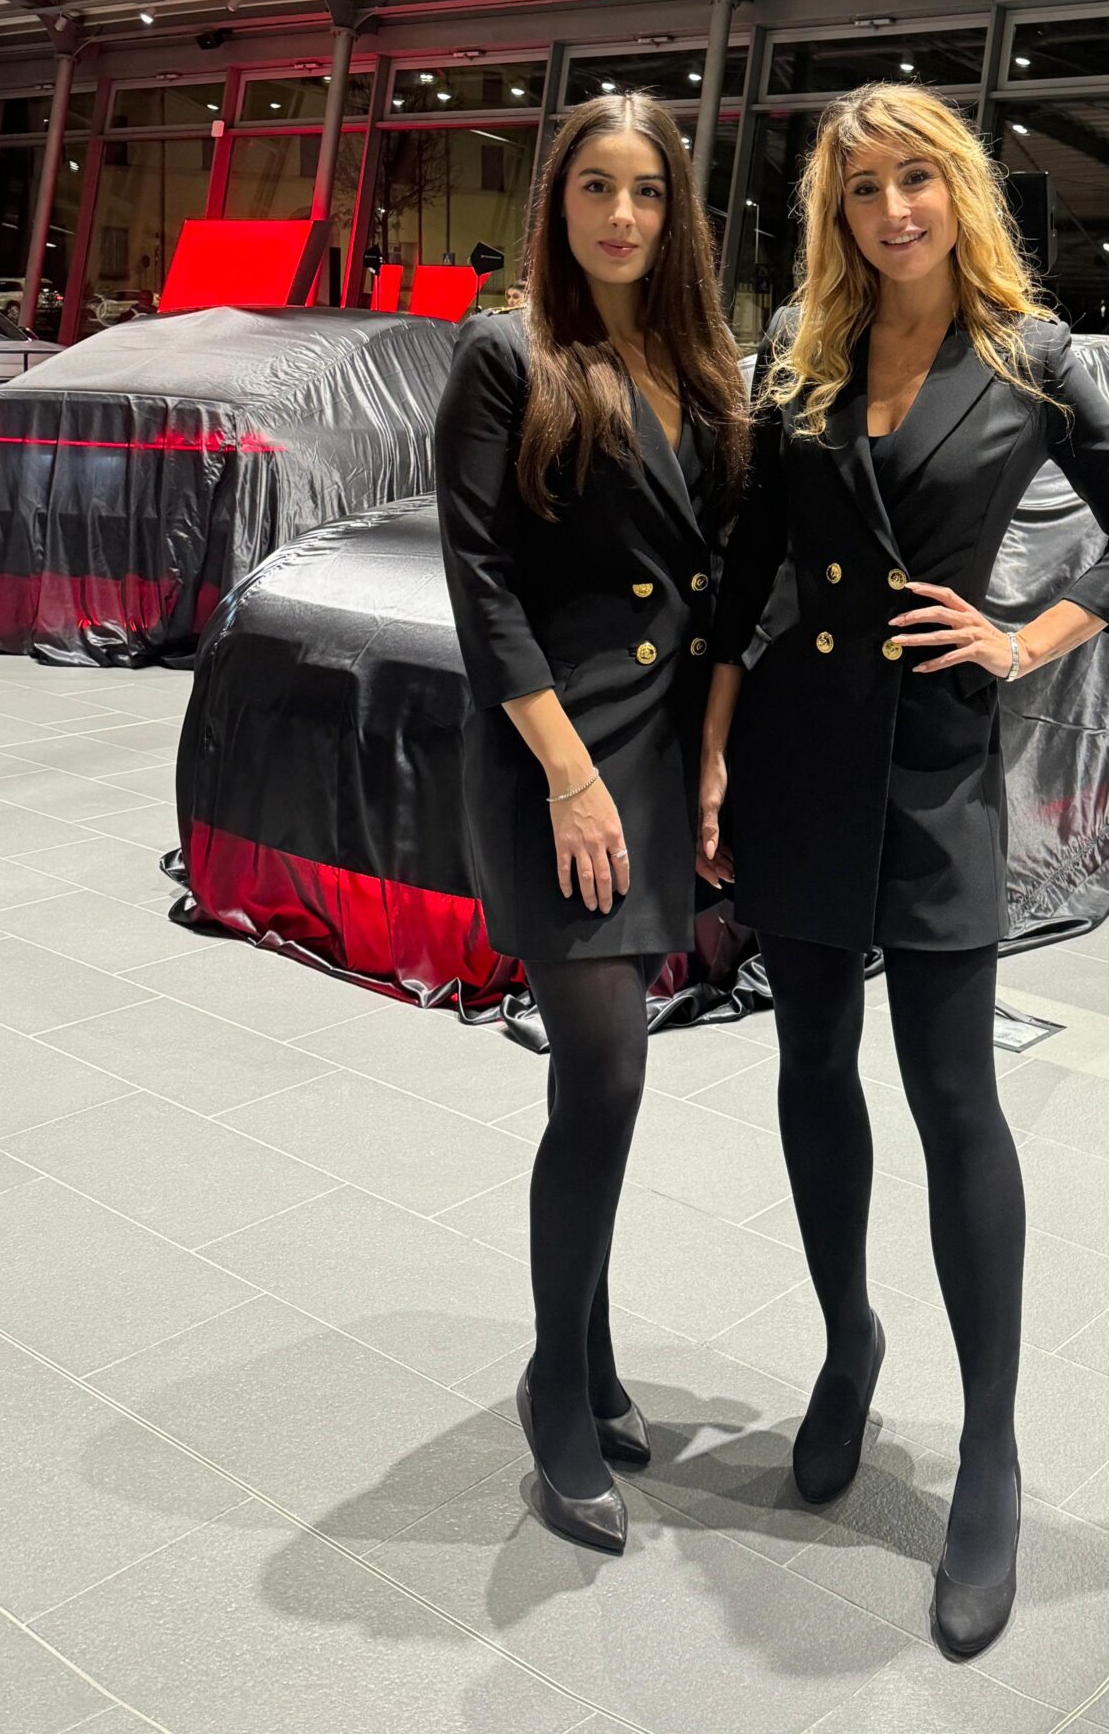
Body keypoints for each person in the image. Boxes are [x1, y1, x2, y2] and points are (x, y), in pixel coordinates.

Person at [697, 84, 1109, 1658]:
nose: (893, 209)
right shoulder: (801, 348)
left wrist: (1025, 638)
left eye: (915, 178)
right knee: (810, 1070)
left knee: (956, 1098)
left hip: (935, 764)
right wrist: (713, 748)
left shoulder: (1034, 355)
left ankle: (992, 1450)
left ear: (958, 189)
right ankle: (848, 1348)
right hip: (796, 755)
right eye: (862, 189)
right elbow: (749, 568)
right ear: (833, 214)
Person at [434, 91, 746, 1555]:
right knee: (606, 1068)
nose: (623, 216)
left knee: (609, 1071)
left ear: (677, 213)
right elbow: (480, 578)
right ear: (554, 205)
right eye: (595, 189)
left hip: (658, 750)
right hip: (550, 749)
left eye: (648, 191)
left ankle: (594, 1356)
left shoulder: (702, 364)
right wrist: (566, 772)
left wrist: (715, 755)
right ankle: (556, 1384)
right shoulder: (507, 352)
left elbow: (720, 576)